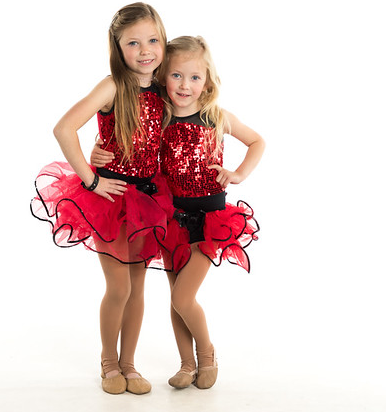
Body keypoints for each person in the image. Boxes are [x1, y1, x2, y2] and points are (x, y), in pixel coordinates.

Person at [92, 35, 265, 390]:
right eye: (176, 76)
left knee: (183, 297)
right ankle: (187, 365)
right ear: (163, 78)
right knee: (176, 298)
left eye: (194, 77)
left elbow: (257, 141)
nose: (185, 85)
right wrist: (98, 151)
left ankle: (207, 354)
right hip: (171, 219)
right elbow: (134, 146)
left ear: (207, 82)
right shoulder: (162, 116)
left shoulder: (216, 117)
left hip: (210, 220)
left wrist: (238, 173)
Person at [31, 2, 173, 395]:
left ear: (163, 41)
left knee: (138, 288)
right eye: (133, 43)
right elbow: (64, 128)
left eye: (152, 40)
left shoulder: (166, 88)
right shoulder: (112, 86)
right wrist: (91, 179)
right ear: (117, 47)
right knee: (119, 288)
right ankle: (109, 362)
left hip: (149, 199)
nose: (144, 50)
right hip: (110, 200)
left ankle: (129, 364)